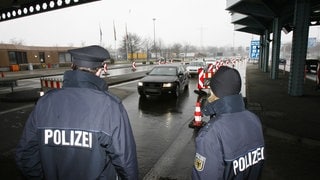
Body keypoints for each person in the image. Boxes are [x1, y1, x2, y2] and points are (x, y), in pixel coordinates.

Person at [15, 45, 139, 180]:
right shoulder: (110, 106)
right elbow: (126, 163)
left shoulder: (45, 103)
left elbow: (25, 155)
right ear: (100, 70)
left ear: (72, 66)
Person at [192, 66, 265, 180]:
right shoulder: (254, 120)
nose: (209, 93)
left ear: (217, 93)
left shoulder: (211, 134)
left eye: (211, 90)